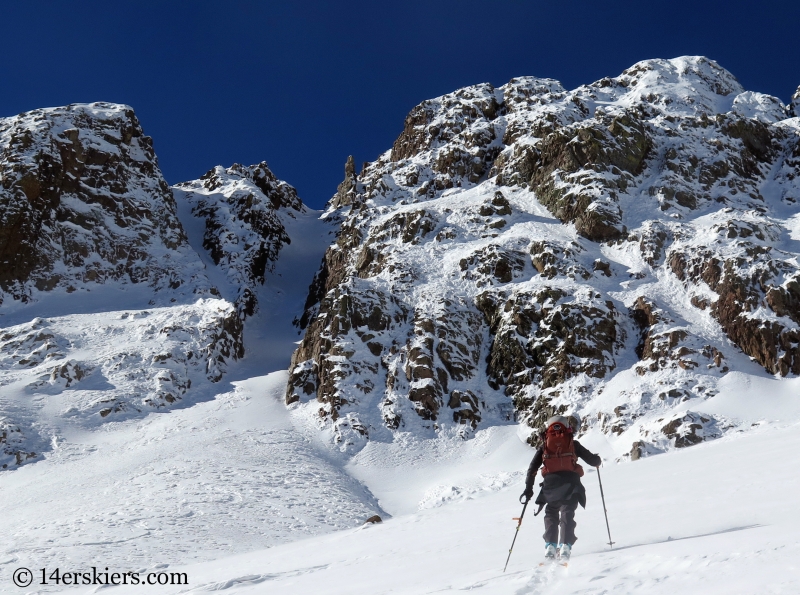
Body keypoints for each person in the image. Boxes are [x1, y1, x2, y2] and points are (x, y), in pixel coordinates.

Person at [520, 413, 601, 562]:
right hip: (571, 483)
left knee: (551, 512)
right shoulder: (572, 443)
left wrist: (528, 488)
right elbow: (592, 460)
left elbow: (533, 467)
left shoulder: (545, 445)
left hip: (550, 484)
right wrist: (597, 460)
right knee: (567, 512)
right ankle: (565, 545)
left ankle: (550, 546)